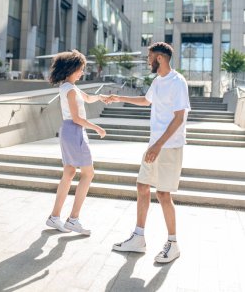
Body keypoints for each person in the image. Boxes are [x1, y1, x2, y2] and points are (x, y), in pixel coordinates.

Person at [109, 42, 190, 263]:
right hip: (154, 144)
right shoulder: (157, 81)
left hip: (169, 146)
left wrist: (158, 145)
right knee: (142, 186)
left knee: (163, 194)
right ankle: (138, 237)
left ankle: (173, 243)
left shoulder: (177, 81)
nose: (147, 60)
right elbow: (146, 101)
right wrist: (119, 98)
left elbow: (179, 117)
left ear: (160, 58)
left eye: (150, 56)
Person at [46, 50, 107, 235]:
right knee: (88, 173)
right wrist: (97, 128)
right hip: (74, 131)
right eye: (80, 69)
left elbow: (87, 98)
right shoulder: (71, 89)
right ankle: (73, 219)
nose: (82, 72)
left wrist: (101, 97)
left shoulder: (68, 87)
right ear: (71, 68)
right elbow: (77, 118)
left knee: (70, 172)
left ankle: (55, 217)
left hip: (69, 131)